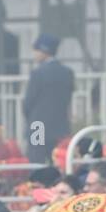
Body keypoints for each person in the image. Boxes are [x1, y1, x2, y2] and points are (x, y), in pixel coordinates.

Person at [22, 34, 75, 165]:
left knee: (36, 160)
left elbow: (28, 103)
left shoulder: (38, 73)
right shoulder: (67, 73)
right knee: (58, 160)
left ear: (44, 51)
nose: (35, 54)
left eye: (36, 50)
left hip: (37, 125)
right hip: (60, 125)